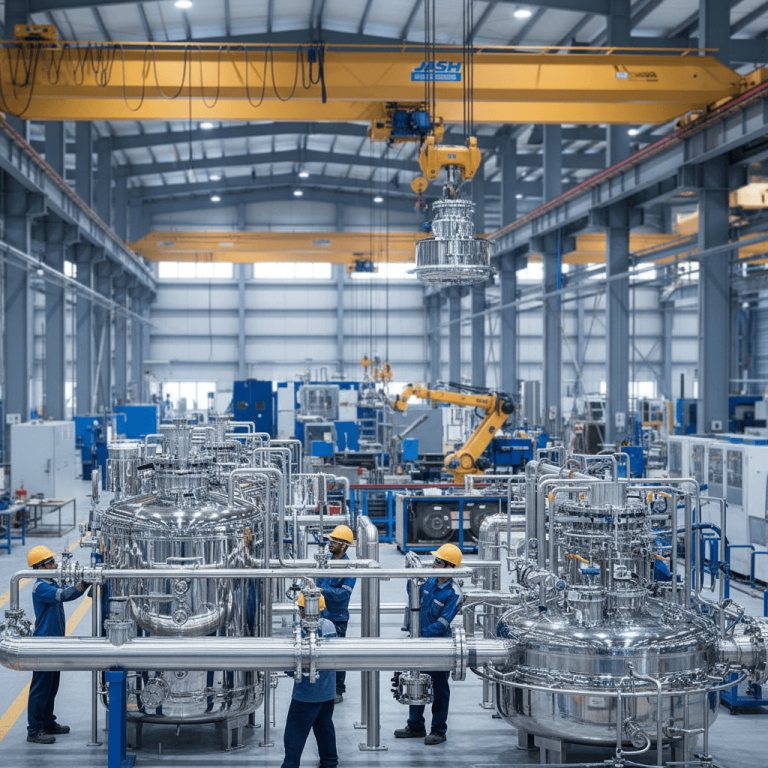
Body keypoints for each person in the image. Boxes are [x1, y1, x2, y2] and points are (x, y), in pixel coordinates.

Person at [394, 543, 464, 746]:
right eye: (434, 560)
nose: (433, 565)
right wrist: (412, 575)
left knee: (439, 689)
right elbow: (413, 597)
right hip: (419, 642)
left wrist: (420, 634)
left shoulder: (454, 593)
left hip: (439, 646)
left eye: (438, 562)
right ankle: (415, 725)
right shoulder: (430, 581)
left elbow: (443, 623)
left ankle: (439, 730)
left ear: (450, 567)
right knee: (416, 680)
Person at [26, 546, 88, 745]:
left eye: (53, 561)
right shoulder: (40, 587)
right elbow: (64, 595)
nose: (55, 565)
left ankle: (47, 722)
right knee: (41, 688)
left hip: (54, 641)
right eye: (50, 562)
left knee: (52, 687)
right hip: (44, 643)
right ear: (40, 567)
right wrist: (83, 584)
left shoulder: (50, 582)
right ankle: (34, 730)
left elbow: (64, 588)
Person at [281, 592, 338, 768]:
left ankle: (290, 765)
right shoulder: (330, 626)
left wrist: (288, 669)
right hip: (327, 692)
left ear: (303, 610)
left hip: (306, 694)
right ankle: (330, 762)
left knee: (294, 733)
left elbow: (295, 666)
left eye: (300, 608)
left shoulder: (302, 631)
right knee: (324, 728)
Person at [315, 524, 356, 704]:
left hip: (337, 618)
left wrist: (323, 590)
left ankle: (338, 690)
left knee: (337, 655)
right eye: (330, 540)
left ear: (344, 545)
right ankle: (323, 686)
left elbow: (343, 595)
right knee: (319, 653)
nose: (330, 544)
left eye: (335, 541)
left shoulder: (349, 568)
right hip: (320, 615)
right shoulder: (325, 561)